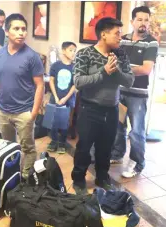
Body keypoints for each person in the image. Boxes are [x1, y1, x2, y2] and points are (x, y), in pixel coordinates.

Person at [71, 17, 134, 195]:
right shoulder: (85, 54)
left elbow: (129, 81)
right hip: (89, 109)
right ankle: (78, 179)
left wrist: (115, 72)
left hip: (112, 110)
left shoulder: (120, 54)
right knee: (84, 148)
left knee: (105, 147)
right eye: (117, 34)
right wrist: (103, 72)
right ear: (103, 34)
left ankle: (102, 177)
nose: (120, 37)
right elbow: (78, 82)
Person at [0, 13, 44, 180]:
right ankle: (10, 176)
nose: (21, 32)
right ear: (7, 32)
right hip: (3, 110)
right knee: (8, 146)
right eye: (16, 29)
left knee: (27, 148)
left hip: (24, 112)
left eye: (23, 29)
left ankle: (26, 178)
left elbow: (40, 85)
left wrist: (33, 114)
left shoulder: (32, 56)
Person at [110, 6, 159, 178]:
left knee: (137, 131)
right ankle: (116, 154)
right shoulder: (122, 40)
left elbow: (146, 69)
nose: (143, 23)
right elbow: (111, 60)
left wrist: (121, 69)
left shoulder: (152, 42)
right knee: (118, 127)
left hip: (138, 94)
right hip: (119, 91)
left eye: (146, 19)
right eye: (139, 19)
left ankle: (138, 162)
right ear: (132, 22)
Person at [47, 41, 77, 154]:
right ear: (63, 50)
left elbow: (74, 85)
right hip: (55, 97)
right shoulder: (55, 65)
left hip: (68, 99)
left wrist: (65, 98)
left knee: (64, 122)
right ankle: (54, 141)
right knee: (53, 121)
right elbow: (51, 80)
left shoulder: (75, 67)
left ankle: (62, 143)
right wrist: (55, 96)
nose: (73, 53)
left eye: (74, 51)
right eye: (70, 50)